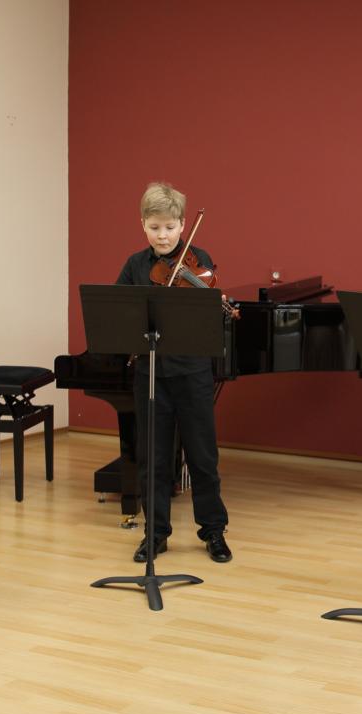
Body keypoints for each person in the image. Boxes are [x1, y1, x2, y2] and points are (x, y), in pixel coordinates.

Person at [115, 181, 231, 564]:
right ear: (142, 225)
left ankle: (213, 531)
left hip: (192, 372)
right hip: (150, 373)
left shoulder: (199, 258)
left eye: (169, 227)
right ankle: (155, 534)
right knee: (153, 459)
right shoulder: (135, 265)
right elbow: (118, 312)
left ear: (183, 224)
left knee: (203, 456)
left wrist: (210, 304)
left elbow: (208, 316)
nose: (162, 235)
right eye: (154, 227)